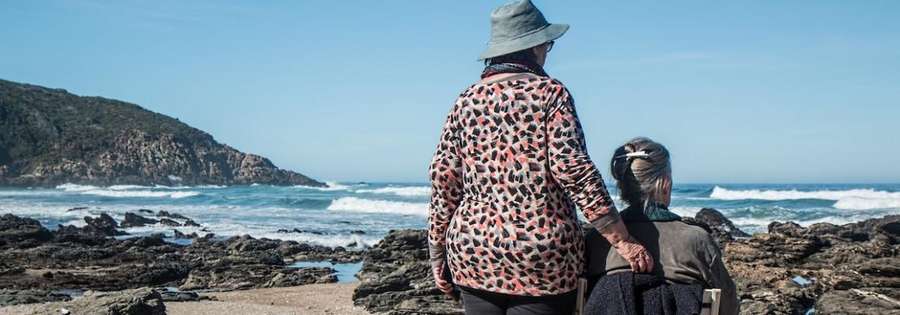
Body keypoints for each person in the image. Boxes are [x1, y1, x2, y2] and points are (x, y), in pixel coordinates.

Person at [427, 1, 654, 314]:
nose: (547, 52)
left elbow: (444, 181)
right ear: (533, 47)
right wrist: (622, 239)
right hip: (542, 259)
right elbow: (574, 171)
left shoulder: (465, 101)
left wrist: (438, 252)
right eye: (547, 44)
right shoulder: (551, 94)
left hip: (474, 253)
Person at [583, 138, 739, 315]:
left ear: (622, 185)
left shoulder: (595, 240)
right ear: (665, 183)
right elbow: (728, 305)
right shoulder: (696, 240)